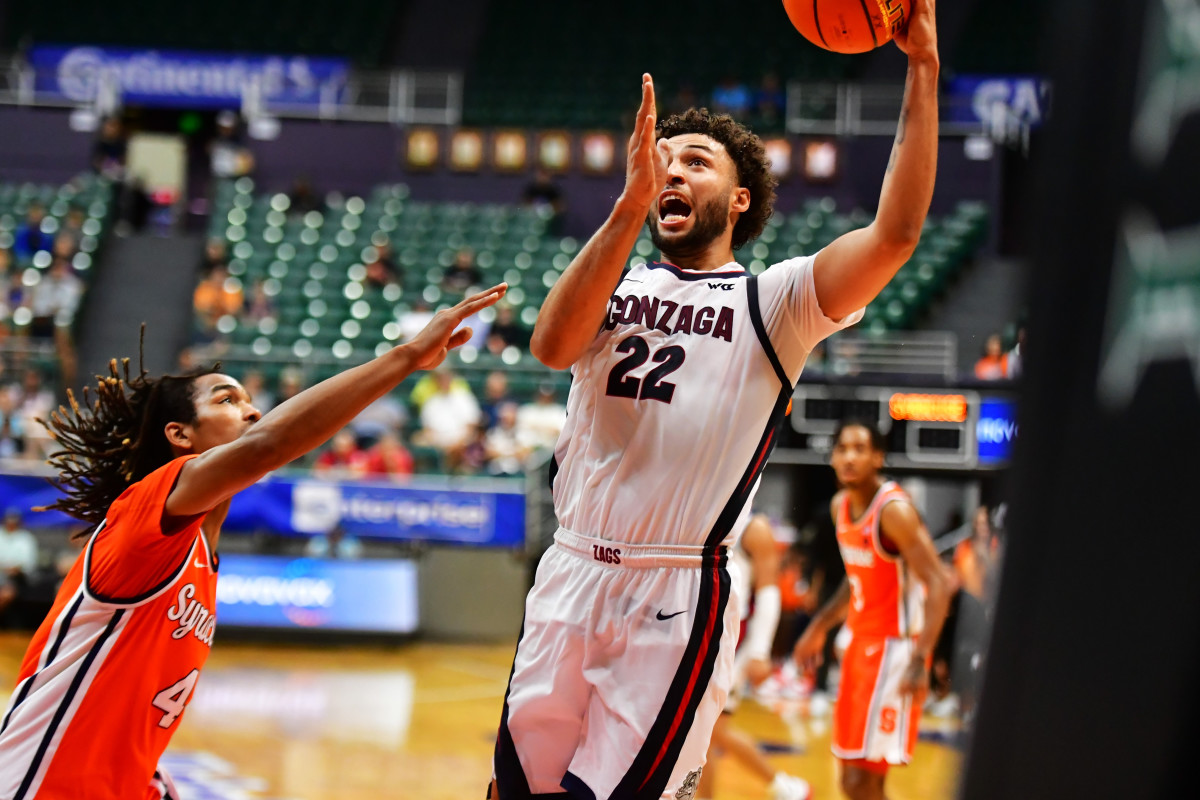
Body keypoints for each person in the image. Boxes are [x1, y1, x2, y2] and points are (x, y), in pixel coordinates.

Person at [492, 2, 940, 794]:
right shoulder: (616, 281)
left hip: (672, 589)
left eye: (695, 162)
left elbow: (894, 234)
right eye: (663, 161)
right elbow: (551, 346)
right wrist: (627, 208)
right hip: (567, 572)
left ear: (738, 201)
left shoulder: (775, 302)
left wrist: (923, 70)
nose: (672, 172)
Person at [0, 285, 505, 799]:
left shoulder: (202, 553)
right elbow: (270, 444)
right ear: (180, 436)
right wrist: (405, 357)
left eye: (249, 400)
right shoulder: (143, 515)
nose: (254, 412)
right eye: (227, 400)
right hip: (40, 782)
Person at [792, 420, 954, 800]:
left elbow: (941, 583)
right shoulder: (839, 508)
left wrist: (920, 659)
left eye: (860, 449)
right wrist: (817, 628)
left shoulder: (894, 511)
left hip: (895, 653)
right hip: (860, 649)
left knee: (855, 783)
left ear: (877, 457)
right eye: (842, 449)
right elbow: (854, 580)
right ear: (832, 457)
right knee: (865, 781)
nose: (850, 457)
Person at [697, 514, 811, 800]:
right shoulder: (696, 510)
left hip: (730, 648)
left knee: (709, 733)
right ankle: (784, 786)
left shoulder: (753, 527)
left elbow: (769, 592)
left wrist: (759, 652)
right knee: (704, 736)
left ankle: (784, 786)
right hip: (694, 640)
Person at [0, 508, 38, 624]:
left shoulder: (26, 538)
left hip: (16, 578)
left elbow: (29, 563)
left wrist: (12, 569)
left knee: (6, 594)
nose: (11, 523)